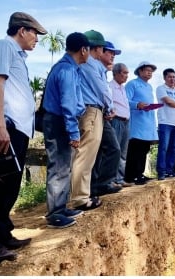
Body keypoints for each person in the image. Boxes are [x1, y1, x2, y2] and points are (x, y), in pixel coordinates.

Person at [0, 12, 47, 264]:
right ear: (21, 30)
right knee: (0, 184)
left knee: (11, 184)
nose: (36, 39)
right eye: (34, 34)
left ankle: (4, 234)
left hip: (16, 128)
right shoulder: (2, 47)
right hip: (5, 126)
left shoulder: (16, 54)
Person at [42, 32, 90, 229]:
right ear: (83, 50)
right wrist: (73, 132)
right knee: (59, 166)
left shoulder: (68, 68)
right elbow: (68, 104)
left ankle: (60, 207)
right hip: (59, 121)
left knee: (64, 165)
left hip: (58, 120)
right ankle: (55, 213)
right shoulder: (67, 70)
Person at [69, 30, 109, 211]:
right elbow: (102, 89)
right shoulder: (90, 65)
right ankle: (80, 198)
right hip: (91, 110)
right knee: (85, 154)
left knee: (85, 155)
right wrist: (111, 106)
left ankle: (81, 194)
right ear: (97, 48)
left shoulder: (87, 64)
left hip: (91, 109)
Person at [90, 40, 122, 196]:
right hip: (95, 112)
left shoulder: (102, 71)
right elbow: (101, 91)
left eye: (114, 54)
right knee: (108, 149)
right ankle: (100, 184)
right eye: (110, 52)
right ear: (100, 51)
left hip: (103, 113)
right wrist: (110, 108)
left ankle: (100, 183)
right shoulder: (93, 68)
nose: (113, 56)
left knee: (108, 149)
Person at [124, 61, 159, 185]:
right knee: (135, 149)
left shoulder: (149, 87)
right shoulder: (132, 84)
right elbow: (125, 101)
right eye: (147, 70)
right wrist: (137, 105)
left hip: (148, 121)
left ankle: (140, 174)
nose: (150, 73)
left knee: (144, 149)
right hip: (137, 121)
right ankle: (130, 176)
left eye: (151, 71)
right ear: (140, 71)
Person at [109, 62, 131, 187]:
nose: (126, 76)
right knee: (115, 151)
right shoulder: (110, 87)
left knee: (123, 152)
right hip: (116, 121)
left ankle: (120, 179)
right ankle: (111, 180)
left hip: (126, 121)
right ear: (116, 73)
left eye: (127, 73)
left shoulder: (123, 88)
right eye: (124, 73)